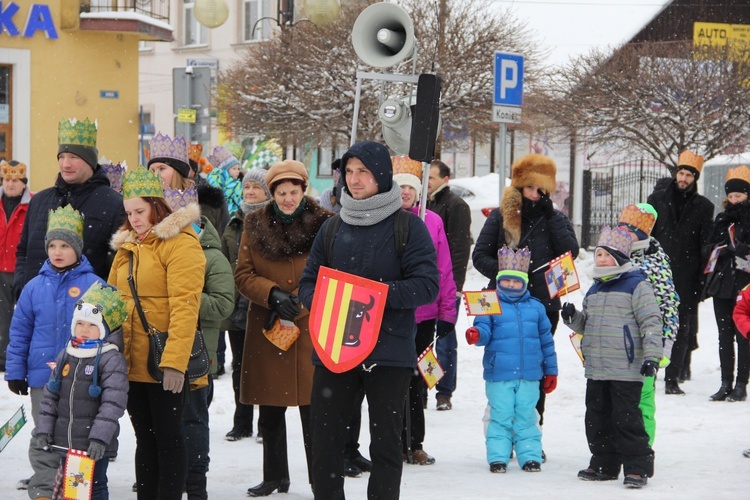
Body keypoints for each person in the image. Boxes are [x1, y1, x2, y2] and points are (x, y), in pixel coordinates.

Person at [298, 140, 439, 500]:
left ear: (381, 175)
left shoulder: (408, 228)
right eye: (349, 171)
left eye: (363, 171)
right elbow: (309, 284)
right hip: (334, 352)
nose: (355, 179)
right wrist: (327, 301)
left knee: (386, 447)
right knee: (326, 443)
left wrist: (373, 296)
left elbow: (426, 286)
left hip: (388, 353)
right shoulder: (331, 228)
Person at [234, 160, 332, 497]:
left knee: (313, 411)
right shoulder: (254, 225)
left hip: (310, 327)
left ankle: (320, 479)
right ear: (271, 194)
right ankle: (275, 476)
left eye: (293, 192)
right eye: (281, 192)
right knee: (270, 410)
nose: (287, 198)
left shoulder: (325, 225)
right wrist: (272, 294)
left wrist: (301, 299)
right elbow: (243, 275)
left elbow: (332, 273)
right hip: (269, 327)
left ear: (304, 191)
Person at [108, 167, 206, 500]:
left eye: (140, 211)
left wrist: (175, 361)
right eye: (128, 213)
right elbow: (112, 299)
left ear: (156, 205)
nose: (134, 219)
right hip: (131, 359)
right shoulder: (127, 246)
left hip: (163, 360)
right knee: (145, 438)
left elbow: (185, 306)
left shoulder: (180, 243)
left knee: (168, 437)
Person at [472, 153, 578, 430]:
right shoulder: (500, 215)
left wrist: (551, 215)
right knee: (504, 368)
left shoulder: (554, 218)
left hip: (541, 306)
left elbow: (570, 252)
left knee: (535, 369)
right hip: (503, 306)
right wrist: (507, 273)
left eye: (540, 189)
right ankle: (501, 427)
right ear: (519, 186)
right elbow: (479, 255)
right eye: (529, 187)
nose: (534, 194)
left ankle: (532, 429)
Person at [6, 205, 105, 500]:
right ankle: (44, 491)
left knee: (78, 434)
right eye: (52, 245)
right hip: (42, 376)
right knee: (44, 431)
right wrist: (15, 372)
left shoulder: (95, 286)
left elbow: (109, 333)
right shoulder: (34, 288)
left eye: (64, 245)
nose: (57, 251)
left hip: (83, 377)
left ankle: (75, 490)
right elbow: (20, 332)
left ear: (77, 248)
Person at [562, 226, 661, 489]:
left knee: (626, 418)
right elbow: (588, 325)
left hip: (626, 368)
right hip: (597, 368)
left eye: (606, 255)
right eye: (598, 255)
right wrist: (573, 318)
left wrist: (652, 356)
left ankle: (637, 467)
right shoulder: (595, 289)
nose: (601, 260)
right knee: (597, 417)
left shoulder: (636, 284)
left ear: (619, 257)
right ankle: (604, 462)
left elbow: (651, 322)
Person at [163, 185, 234, 499]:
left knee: (192, 418)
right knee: (165, 420)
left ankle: (194, 481)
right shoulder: (161, 250)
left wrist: (184, 300)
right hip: (164, 351)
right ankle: (169, 475)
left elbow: (222, 305)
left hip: (197, 352)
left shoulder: (212, 257)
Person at [465, 246, 557, 473]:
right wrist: (477, 335)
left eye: (517, 282)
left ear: (525, 283)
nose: (512, 286)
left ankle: (530, 456)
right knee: (500, 415)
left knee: (527, 416)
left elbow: (547, 342)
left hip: (529, 375)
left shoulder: (536, 308)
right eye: (507, 281)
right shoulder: (490, 304)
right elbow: (483, 329)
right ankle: (498, 456)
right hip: (500, 374)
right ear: (499, 281)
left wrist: (551, 370)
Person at [35, 283, 129, 500]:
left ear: (104, 329)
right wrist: (44, 429)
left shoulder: (110, 358)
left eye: (91, 325)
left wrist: (99, 438)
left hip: (92, 443)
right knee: (73, 489)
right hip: (64, 440)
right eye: (80, 323)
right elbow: (51, 396)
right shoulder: (66, 354)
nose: (84, 330)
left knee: (94, 487)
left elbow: (113, 404)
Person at [14, 117, 126, 299]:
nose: (66, 164)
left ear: (90, 161)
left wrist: (99, 302)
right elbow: (23, 251)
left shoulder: (114, 204)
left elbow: (117, 263)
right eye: (62, 157)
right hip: (37, 308)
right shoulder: (39, 200)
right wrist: (21, 286)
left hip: (85, 315)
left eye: (74, 157)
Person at [394, 171, 456, 465]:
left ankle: (415, 442)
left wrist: (447, 312)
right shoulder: (386, 219)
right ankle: (392, 442)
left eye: (411, 187)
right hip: (393, 312)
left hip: (425, 314)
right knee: (391, 379)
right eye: (401, 186)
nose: (406, 192)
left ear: (419, 193)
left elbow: (443, 269)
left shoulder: (433, 221)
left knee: (418, 380)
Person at [647, 149, 714, 395]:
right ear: (676, 174)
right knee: (651, 325)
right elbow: (646, 234)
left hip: (687, 276)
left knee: (680, 328)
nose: (684, 178)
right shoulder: (656, 200)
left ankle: (672, 378)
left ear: (695, 179)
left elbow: (705, 244)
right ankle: (650, 374)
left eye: (689, 175)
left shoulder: (704, 206)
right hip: (657, 273)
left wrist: (702, 276)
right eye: (681, 173)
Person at [616, 204, 679, 445]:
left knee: (642, 399)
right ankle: (616, 447)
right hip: (616, 343)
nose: (623, 233)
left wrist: (666, 343)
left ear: (642, 235)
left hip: (645, 344)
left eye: (629, 230)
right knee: (616, 398)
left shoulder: (656, 263)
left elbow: (668, 305)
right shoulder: (612, 257)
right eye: (620, 228)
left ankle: (642, 448)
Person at [220, 167, 271, 442]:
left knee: (263, 365)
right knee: (239, 364)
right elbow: (224, 262)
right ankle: (242, 421)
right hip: (237, 303)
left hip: (263, 304)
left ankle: (266, 424)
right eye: (247, 187)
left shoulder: (274, 222)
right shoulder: (234, 224)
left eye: (256, 187)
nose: (250, 192)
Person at [426, 159, 472, 411]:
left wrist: (454, 286)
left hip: (447, 285)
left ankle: (444, 392)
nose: (427, 182)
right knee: (422, 341)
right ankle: (421, 386)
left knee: (444, 339)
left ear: (445, 179)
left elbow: (459, 249)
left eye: (431, 178)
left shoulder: (456, 205)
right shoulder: (423, 203)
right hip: (425, 284)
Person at [701, 166, 750, 402]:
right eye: (730, 196)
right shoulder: (722, 220)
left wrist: (745, 251)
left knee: (743, 334)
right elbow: (708, 247)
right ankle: (725, 383)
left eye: (739, 196)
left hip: (745, 286)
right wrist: (717, 250)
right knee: (724, 335)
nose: (734, 200)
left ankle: (741, 384)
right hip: (723, 283)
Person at [0, 160, 32, 371]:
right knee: (2, 316)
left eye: (15, 180)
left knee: (24, 317)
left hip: (22, 270)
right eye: (6, 180)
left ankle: (21, 358)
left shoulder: (33, 205)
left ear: (24, 183)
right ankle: (3, 359)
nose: (10, 184)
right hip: (0, 270)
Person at [207, 146, 243, 216]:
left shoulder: (212, 180)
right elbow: (241, 202)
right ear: (226, 169)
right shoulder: (236, 185)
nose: (237, 171)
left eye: (238, 169)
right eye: (234, 168)